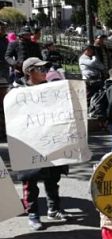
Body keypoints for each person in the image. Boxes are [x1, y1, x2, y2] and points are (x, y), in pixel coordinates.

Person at [15, 58, 70, 230]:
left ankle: (54, 208)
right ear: (29, 71)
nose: (44, 70)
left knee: (53, 177)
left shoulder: (51, 89)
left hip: (50, 140)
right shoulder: (17, 93)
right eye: (40, 68)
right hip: (29, 143)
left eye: (45, 67)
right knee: (30, 181)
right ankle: (33, 214)